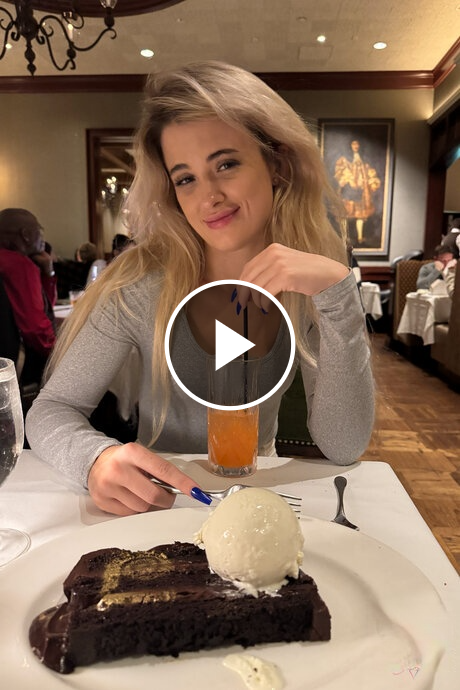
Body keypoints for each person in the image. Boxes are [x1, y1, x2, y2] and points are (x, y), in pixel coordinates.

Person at [26, 61, 374, 517]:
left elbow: (344, 445)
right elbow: (52, 409)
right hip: (155, 508)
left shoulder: (308, 285)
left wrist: (338, 295)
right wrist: (94, 458)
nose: (208, 196)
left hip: (257, 500)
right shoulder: (138, 284)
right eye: (186, 178)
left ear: (277, 164)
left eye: (226, 164)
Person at [0, 208, 56, 383]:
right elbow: (36, 329)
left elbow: (45, 306)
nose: (43, 237)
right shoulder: (18, 265)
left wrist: (47, 273)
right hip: (18, 370)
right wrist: (60, 353)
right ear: (25, 235)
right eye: (40, 230)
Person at [334, 139, 381, 245]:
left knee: (360, 214)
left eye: (357, 144)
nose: (356, 146)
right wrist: (347, 179)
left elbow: (369, 172)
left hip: (360, 190)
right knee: (345, 213)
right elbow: (340, 172)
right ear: (350, 145)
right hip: (348, 190)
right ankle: (344, 237)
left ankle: (360, 237)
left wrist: (371, 182)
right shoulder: (345, 159)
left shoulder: (363, 160)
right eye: (354, 144)